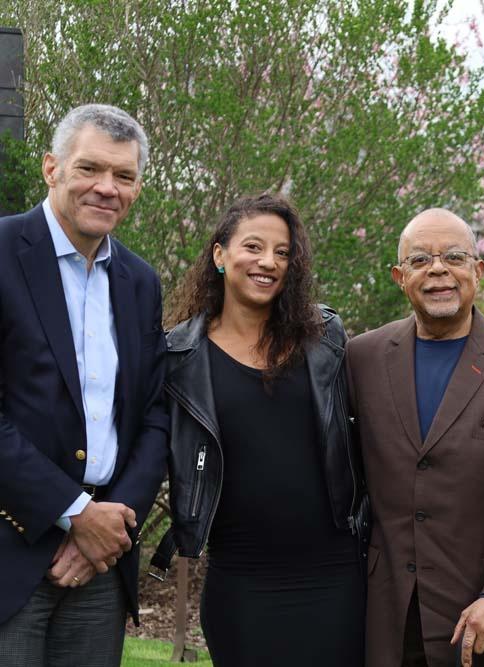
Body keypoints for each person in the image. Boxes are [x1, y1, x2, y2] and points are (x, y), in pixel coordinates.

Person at [148, 193, 366, 666]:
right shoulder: (178, 358)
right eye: (253, 247)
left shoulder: (324, 337)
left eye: (282, 252)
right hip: (241, 578)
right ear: (220, 255)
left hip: (335, 575)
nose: (268, 262)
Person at [347, 208, 484, 667]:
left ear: (478, 270)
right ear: (398, 276)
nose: (437, 270)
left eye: (453, 256)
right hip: (388, 617)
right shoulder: (361, 358)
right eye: (420, 260)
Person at [0, 104, 169, 666]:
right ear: (51, 168)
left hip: (101, 565)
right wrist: (74, 512)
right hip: (11, 548)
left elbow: (154, 414)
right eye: (90, 169)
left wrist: (111, 523)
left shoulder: (141, 282)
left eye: (123, 176)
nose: (107, 188)